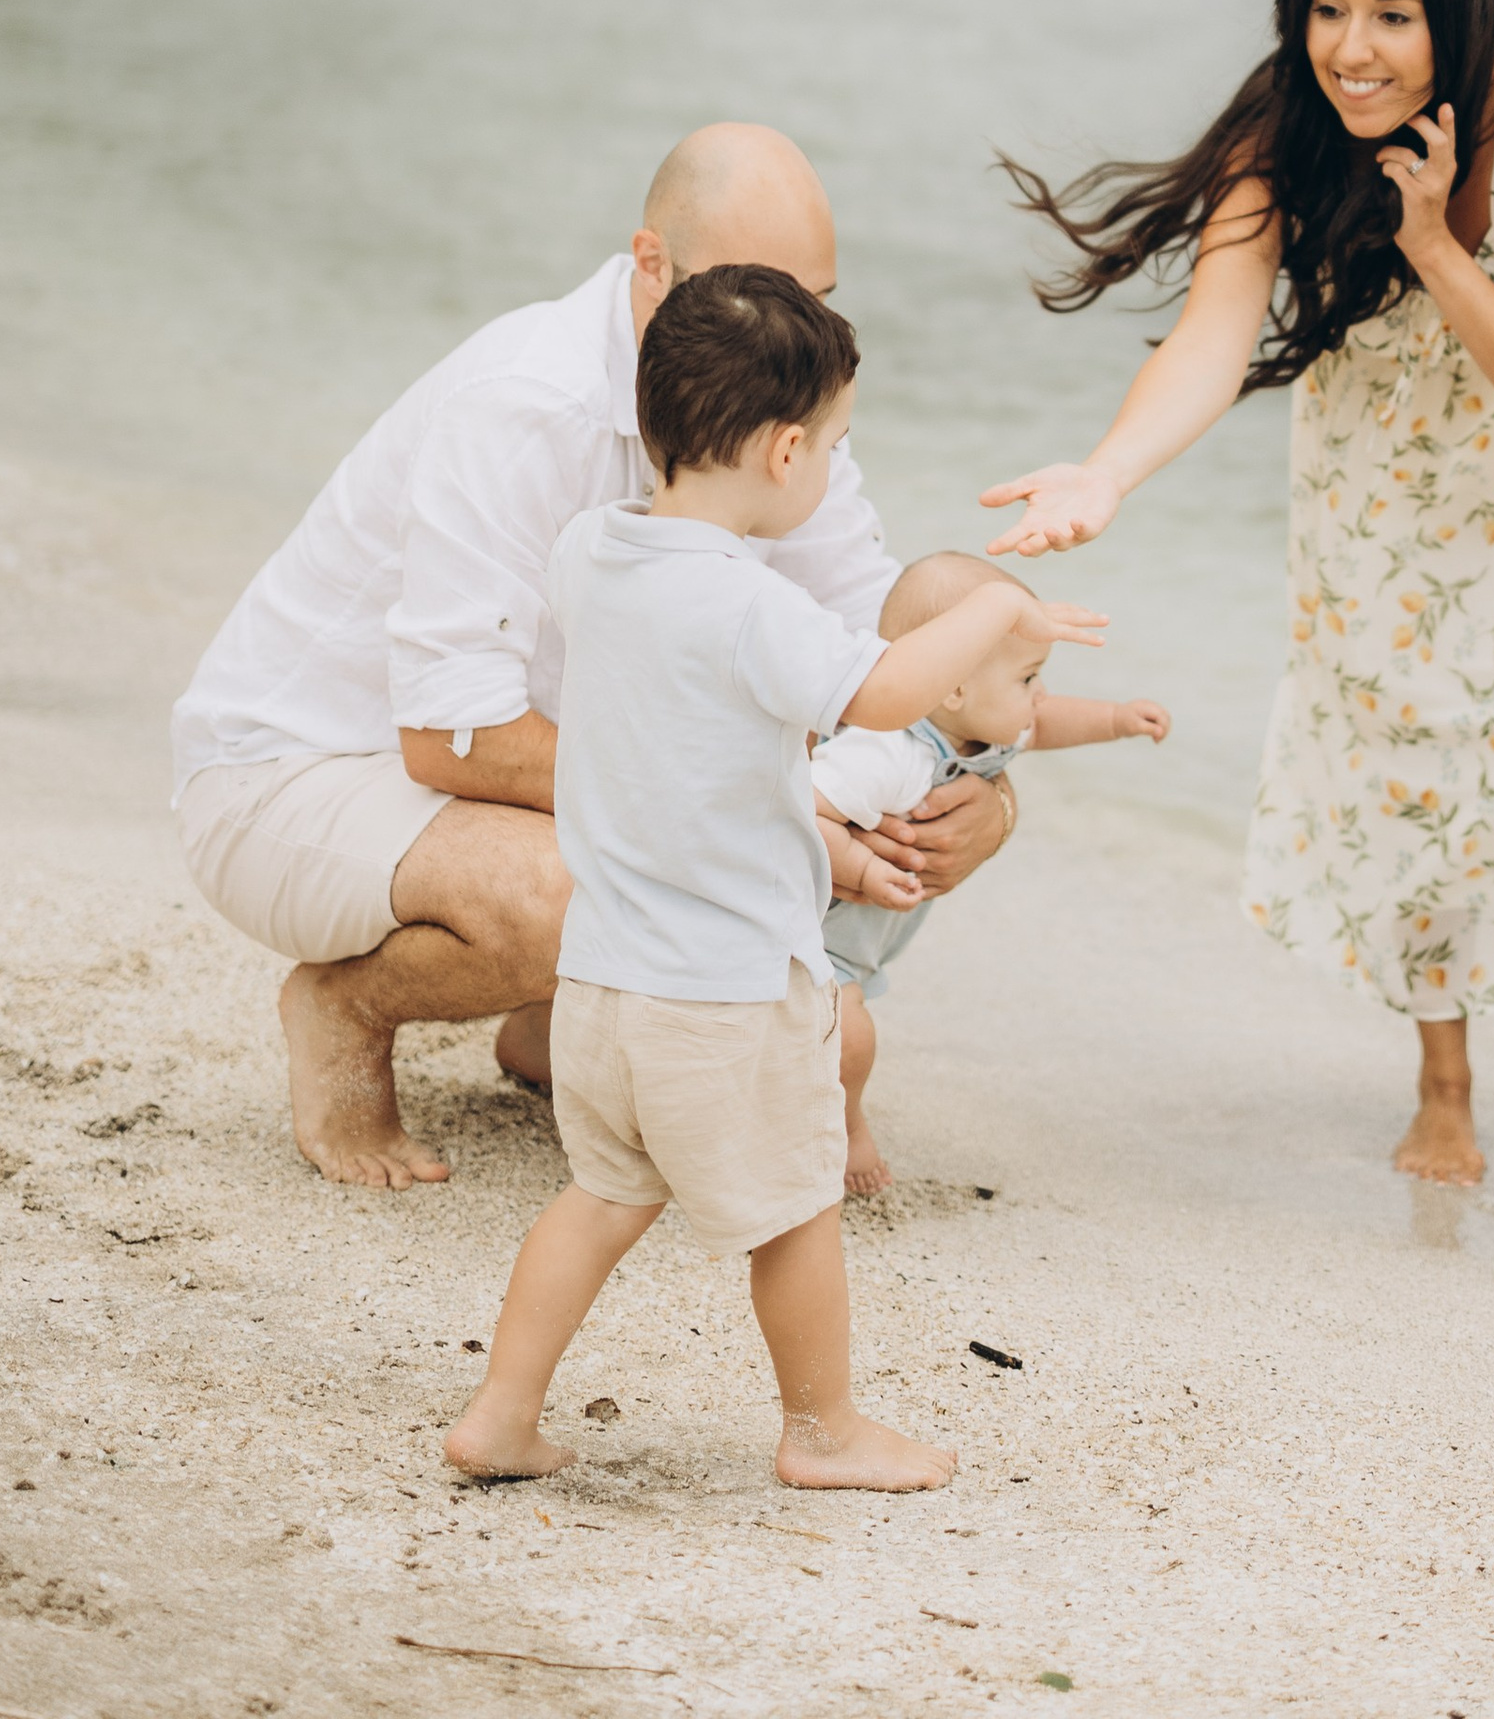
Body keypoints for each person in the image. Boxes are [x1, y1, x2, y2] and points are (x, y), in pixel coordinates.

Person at [983, 0, 1494, 1198]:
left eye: (1392, 17)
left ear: (1459, 17)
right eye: (1326, 10)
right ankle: (1441, 1083)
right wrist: (1107, 473)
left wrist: (1430, 241)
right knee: (1400, 713)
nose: (1351, 52)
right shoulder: (1291, 120)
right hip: (1392, 423)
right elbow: (1213, 330)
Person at [170, 123, 1015, 1190]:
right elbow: (449, 734)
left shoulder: (772, 394)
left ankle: (545, 1028)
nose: (795, 339)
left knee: (838, 797)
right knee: (644, 864)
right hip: (294, 780)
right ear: (649, 264)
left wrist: (980, 789)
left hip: (504, 783)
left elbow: (881, 654)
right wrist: (745, 798)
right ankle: (343, 1006)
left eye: (819, 301)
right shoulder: (530, 405)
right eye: (761, 293)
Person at [442, 265, 1105, 1494]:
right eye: (837, 442)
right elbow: (888, 694)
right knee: (798, 1207)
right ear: (789, 451)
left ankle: (500, 1411)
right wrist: (1004, 608)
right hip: (726, 991)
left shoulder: (591, 549)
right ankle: (823, 1429)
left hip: (600, 983)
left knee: (597, 1196)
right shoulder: (747, 603)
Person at [810, 548, 1171, 1194]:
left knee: (828, 1033)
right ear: (953, 686)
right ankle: (846, 1132)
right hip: (816, 929)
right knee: (848, 1042)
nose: (1040, 696)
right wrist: (863, 869)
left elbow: (1044, 723)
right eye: (1029, 678)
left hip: (861, 938)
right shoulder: (886, 749)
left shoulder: (976, 720)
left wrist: (1117, 721)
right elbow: (799, 810)